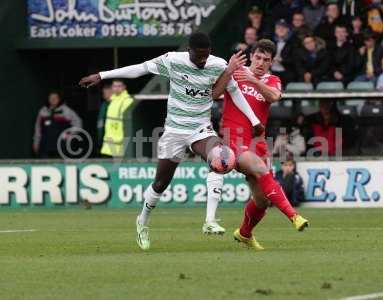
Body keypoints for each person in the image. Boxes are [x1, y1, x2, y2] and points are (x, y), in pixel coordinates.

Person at [79, 32, 264, 250]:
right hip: (175, 131)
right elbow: (140, 68)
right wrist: (102, 75)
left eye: (206, 56)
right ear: (189, 51)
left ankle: (210, 221)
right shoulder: (172, 61)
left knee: (221, 158)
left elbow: (234, 91)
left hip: (200, 129)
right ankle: (142, 221)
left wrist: (254, 120)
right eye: (198, 56)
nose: (203, 61)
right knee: (160, 184)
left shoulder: (218, 65)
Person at [208, 39, 309, 250]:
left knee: (262, 201)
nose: (261, 62)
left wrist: (254, 80)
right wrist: (229, 71)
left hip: (258, 144)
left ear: (271, 62)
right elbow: (214, 93)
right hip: (233, 140)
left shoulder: (272, 80)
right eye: (258, 57)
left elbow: (274, 97)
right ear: (251, 56)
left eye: (266, 60)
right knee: (262, 170)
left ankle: (244, 233)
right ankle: (294, 216)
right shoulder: (235, 72)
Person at [33, 91, 82, 158]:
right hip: (45, 148)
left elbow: (78, 122)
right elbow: (38, 129)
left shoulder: (66, 110)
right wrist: (36, 143)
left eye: (55, 98)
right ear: (48, 99)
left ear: (59, 99)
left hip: (61, 148)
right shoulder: (42, 111)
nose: (53, 100)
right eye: (51, 98)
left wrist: (70, 134)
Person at [100, 80, 134, 158]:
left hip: (121, 143)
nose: (116, 88)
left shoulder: (127, 101)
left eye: (119, 86)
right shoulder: (112, 101)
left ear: (124, 87)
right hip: (110, 142)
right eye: (114, 86)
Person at [271, 19, 297, 86]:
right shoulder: (271, 42)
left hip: (287, 74)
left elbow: (295, 60)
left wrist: (282, 60)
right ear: (275, 30)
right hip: (272, 72)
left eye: (283, 28)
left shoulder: (293, 43)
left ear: (288, 30)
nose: (281, 29)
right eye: (278, 28)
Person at [97, 84, 112, 152]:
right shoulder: (104, 105)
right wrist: (100, 139)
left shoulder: (116, 104)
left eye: (106, 93)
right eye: (104, 93)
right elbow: (100, 123)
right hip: (104, 137)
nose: (104, 95)